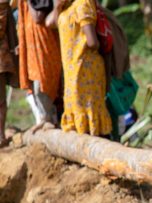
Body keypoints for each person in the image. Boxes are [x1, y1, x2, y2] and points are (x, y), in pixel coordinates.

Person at [46, 0, 112, 136]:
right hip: (73, 71)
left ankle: (95, 151)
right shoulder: (68, 7)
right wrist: (58, 6)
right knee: (77, 113)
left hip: (85, 70)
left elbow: (92, 42)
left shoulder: (83, 3)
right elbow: (50, 23)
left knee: (88, 113)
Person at [18, 0, 62, 128]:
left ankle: (47, 120)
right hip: (34, 47)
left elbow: (38, 17)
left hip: (44, 44)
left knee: (42, 84)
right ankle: (45, 119)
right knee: (36, 85)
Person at [0, 1, 18, 148]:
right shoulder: (4, 7)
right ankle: (0, 134)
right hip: (2, 59)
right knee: (0, 101)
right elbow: (12, 34)